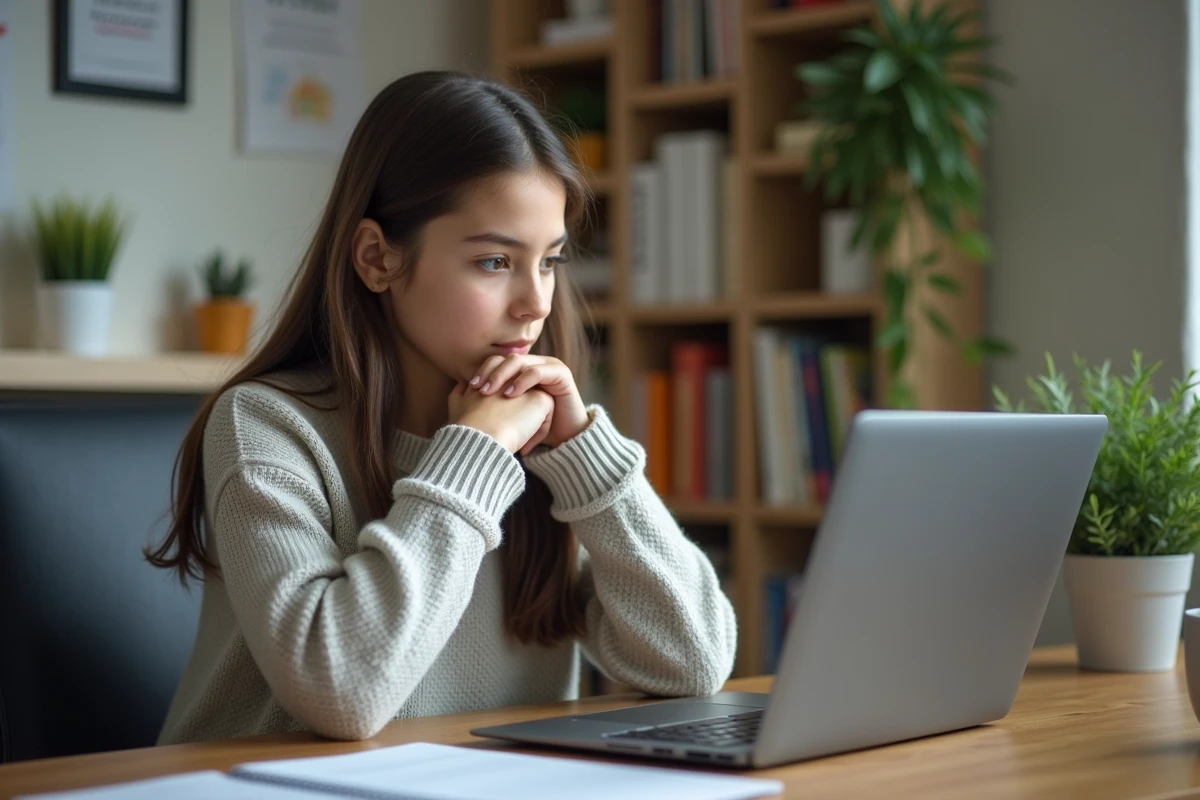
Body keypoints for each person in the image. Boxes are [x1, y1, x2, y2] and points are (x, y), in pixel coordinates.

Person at [146, 70, 737, 746]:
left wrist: (590, 471)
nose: (536, 303)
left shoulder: (539, 442)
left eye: (549, 261)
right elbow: (341, 692)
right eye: (494, 262)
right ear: (376, 259)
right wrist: (475, 458)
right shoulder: (265, 427)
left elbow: (694, 665)